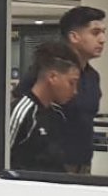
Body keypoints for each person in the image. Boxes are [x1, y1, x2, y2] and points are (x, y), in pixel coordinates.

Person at [9, 42, 82, 172]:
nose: (75, 91)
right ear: (52, 77)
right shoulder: (22, 113)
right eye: (71, 83)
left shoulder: (58, 115)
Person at [56, 6, 107, 173]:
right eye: (95, 32)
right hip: (52, 166)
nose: (102, 39)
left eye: (103, 32)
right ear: (74, 37)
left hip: (83, 164)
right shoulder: (52, 72)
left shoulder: (93, 76)